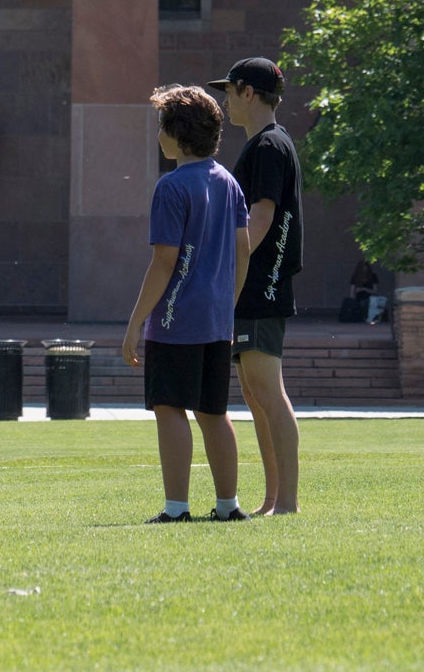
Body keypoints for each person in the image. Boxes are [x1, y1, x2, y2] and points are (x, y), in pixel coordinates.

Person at [121, 85, 251, 524]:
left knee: (169, 407)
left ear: (177, 134)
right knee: (214, 411)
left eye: (162, 126)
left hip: (175, 320)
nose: (158, 135)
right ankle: (228, 505)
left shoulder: (171, 186)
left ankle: (176, 509)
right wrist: (226, 306)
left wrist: (135, 322)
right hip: (216, 321)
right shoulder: (229, 182)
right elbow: (243, 250)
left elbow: (163, 262)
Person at [208, 57, 304, 516]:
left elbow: (262, 217)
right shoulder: (266, 144)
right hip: (254, 283)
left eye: (230, 90)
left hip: (261, 283)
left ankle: (287, 503)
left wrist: (232, 266)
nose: (225, 99)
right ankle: (272, 500)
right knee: (253, 391)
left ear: (249, 93)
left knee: (268, 391)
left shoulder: (268, 145)